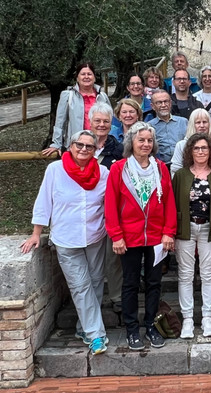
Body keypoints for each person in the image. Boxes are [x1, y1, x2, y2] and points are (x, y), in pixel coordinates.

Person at [21, 130, 109, 355]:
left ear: (95, 150)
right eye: (79, 144)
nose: (84, 149)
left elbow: (109, 202)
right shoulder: (55, 170)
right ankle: (96, 335)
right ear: (70, 146)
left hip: (95, 236)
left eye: (89, 146)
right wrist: (36, 233)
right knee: (80, 286)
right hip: (66, 238)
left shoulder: (103, 173)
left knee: (96, 282)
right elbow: (44, 201)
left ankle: (83, 328)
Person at [105, 122, 177, 351]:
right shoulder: (119, 169)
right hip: (129, 237)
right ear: (131, 142)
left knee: (154, 283)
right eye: (141, 140)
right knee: (130, 283)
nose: (146, 144)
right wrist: (116, 236)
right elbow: (111, 205)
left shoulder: (160, 168)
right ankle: (132, 329)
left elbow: (169, 203)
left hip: (156, 237)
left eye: (149, 140)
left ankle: (151, 326)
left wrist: (168, 232)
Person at [173, 133, 211, 339]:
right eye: (196, 148)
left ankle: (207, 317)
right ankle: (187, 319)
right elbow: (172, 204)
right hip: (185, 228)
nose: (200, 151)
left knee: (208, 273)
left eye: (204, 148)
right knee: (186, 274)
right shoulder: (180, 175)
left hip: (209, 228)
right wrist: (171, 232)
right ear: (190, 151)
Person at [89, 103, 124, 313]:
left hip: (112, 209)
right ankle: (90, 298)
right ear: (90, 122)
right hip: (86, 210)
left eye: (106, 121)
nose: (101, 125)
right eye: (97, 121)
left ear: (112, 124)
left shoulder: (119, 149)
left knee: (113, 256)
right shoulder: (81, 145)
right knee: (90, 256)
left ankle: (116, 295)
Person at [42, 63, 110, 156]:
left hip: (100, 147)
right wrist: (56, 144)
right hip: (77, 147)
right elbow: (60, 122)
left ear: (94, 77)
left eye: (89, 74)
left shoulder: (103, 97)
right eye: (83, 74)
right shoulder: (67, 96)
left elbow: (110, 121)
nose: (86, 77)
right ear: (77, 78)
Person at [171, 108, 211, 179]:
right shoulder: (181, 146)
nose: (202, 125)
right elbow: (176, 170)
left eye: (205, 122)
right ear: (192, 125)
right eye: (198, 122)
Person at [148, 90, 188, 167]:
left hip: (182, 165)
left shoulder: (183, 122)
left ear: (170, 103)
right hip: (159, 167)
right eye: (159, 102)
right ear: (153, 106)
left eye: (166, 101)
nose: (163, 105)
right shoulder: (149, 126)